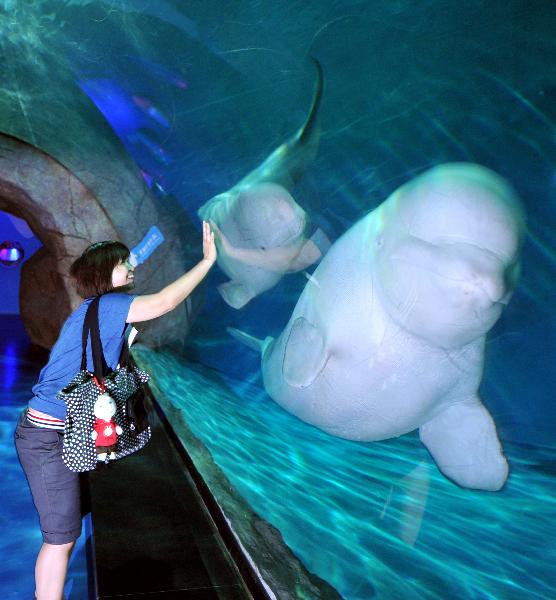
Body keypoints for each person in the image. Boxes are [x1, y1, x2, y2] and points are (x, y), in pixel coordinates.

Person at [14, 221, 216, 600]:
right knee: (60, 540)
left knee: (65, 535)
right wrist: (207, 262)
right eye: (124, 263)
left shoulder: (97, 309)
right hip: (47, 437)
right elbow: (165, 302)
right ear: (105, 274)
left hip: (57, 431)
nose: (131, 268)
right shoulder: (108, 305)